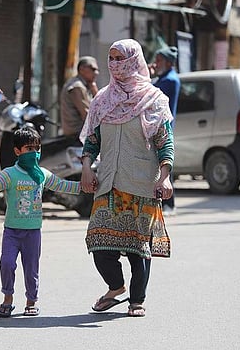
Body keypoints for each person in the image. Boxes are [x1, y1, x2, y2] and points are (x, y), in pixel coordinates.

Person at [79, 39, 173, 317]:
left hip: (142, 183)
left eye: (121, 58)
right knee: (98, 242)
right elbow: (92, 140)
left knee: (137, 248)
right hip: (108, 182)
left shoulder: (155, 100)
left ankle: (137, 300)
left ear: (134, 60)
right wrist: (86, 166)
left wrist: (165, 177)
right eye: (111, 57)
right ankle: (116, 286)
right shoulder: (102, 100)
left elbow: (165, 142)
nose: (115, 64)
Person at [0, 125, 81, 317]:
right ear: (18, 151)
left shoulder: (42, 174)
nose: (33, 153)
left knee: (31, 269)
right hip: (12, 231)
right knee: (7, 263)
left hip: (33, 232)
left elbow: (63, 185)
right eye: (29, 149)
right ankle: (7, 299)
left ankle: (31, 301)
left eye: (36, 148)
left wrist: (85, 186)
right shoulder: (10, 174)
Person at [150, 46, 180, 216]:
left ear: (168, 63)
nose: (156, 63)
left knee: (165, 163)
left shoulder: (170, 80)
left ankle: (168, 202)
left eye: (159, 61)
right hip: (159, 127)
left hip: (163, 128)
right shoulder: (164, 78)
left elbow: (152, 95)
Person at [60, 56, 99, 140]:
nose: (96, 73)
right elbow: (88, 115)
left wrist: (94, 89)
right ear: (81, 69)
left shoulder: (85, 85)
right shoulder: (77, 86)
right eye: (93, 69)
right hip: (77, 134)